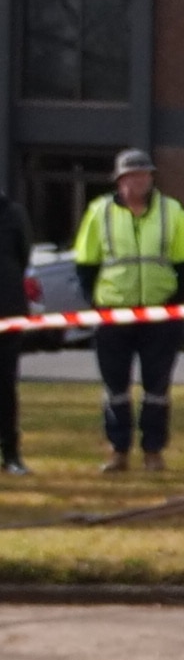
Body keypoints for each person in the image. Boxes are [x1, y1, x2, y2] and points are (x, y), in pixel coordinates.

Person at [72, 148, 184, 473]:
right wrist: (97, 304)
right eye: (132, 175)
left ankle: (154, 451)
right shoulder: (99, 212)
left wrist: (174, 304)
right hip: (113, 313)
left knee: (157, 388)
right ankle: (118, 451)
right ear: (120, 179)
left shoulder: (172, 211)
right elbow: (86, 263)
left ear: (151, 177)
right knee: (115, 387)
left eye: (145, 174)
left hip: (159, 314)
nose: (139, 180)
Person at [0, 182, 30, 474]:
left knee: (6, 387)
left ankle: (11, 454)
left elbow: (23, 258)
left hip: (7, 312)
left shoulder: (14, 214)